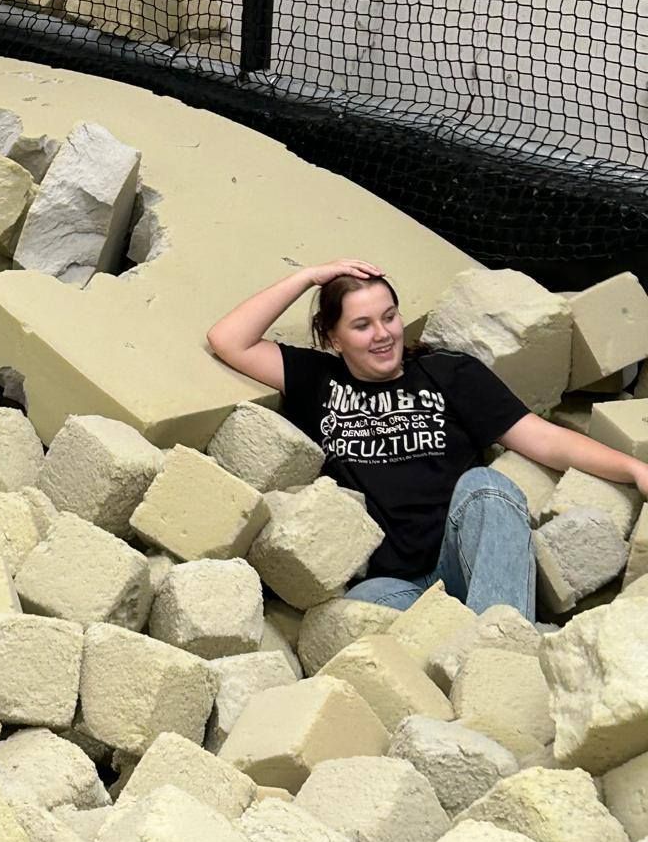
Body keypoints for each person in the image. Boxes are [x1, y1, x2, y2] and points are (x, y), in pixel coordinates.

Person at [207, 259, 648, 617]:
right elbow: (228, 340)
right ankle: (471, 650)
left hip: (467, 560)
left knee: (488, 487)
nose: (383, 334)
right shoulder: (317, 380)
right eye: (362, 325)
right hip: (396, 587)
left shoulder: (449, 373)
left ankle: (501, 645)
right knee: (359, 605)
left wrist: (632, 468)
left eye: (389, 317)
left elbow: (544, 439)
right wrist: (308, 277)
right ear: (333, 337)